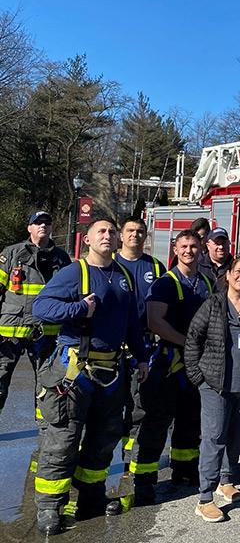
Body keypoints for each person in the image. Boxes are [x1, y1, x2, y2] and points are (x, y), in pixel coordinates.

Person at [31, 217, 148, 535]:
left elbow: (133, 322)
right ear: (86, 239)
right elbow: (41, 307)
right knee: (62, 440)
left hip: (112, 372)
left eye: (112, 231)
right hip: (74, 373)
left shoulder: (123, 275)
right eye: (101, 231)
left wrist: (141, 357)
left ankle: (91, 496)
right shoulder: (74, 272)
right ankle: (50, 507)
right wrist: (78, 309)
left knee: (104, 439)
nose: (108, 235)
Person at [129, 230, 215, 505]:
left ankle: (184, 471)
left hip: (196, 364)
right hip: (168, 364)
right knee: (157, 423)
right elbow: (155, 321)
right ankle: (143, 481)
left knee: (190, 420)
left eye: (194, 246)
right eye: (184, 247)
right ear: (175, 250)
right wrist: (188, 343)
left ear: (201, 249)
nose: (189, 251)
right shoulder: (166, 283)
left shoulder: (206, 282)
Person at [183, 257, 240, 522]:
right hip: (215, 385)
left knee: (235, 433)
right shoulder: (214, 304)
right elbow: (193, 339)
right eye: (238, 271)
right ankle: (204, 497)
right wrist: (197, 376)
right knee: (214, 437)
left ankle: (226, 481)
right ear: (228, 275)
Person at [0, 211, 71, 418]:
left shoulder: (61, 258)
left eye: (47, 223)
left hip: (45, 332)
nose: (43, 226)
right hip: (9, 333)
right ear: (29, 228)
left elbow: (68, 295)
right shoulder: (12, 254)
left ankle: (45, 431)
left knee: (46, 384)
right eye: (37, 223)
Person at [114, 217, 165, 462]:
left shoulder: (155, 268)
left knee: (139, 404)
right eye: (130, 231)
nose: (135, 235)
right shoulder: (108, 264)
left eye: (140, 231)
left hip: (143, 345)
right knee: (109, 405)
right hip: (111, 347)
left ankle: (130, 458)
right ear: (121, 236)